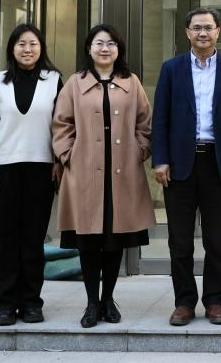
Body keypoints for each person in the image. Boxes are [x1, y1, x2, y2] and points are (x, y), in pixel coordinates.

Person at [52, 23, 155, 328]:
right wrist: (68, 154)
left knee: (114, 240)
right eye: (99, 43)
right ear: (89, 48)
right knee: (88, 241)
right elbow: (61, 124)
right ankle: (91, 303)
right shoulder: (75, 83)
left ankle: (108, 299)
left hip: (122, 174)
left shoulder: (131, 82)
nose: (105, 48)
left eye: (111, 43)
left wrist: (140, 150)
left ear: (118, 50)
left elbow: (145, 122)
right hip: (84, 174)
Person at [152, 7, 221, 327]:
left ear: (218, 31)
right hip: (179, 164)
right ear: (187, 33)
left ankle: (215, 300)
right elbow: (160, 117)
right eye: (197, 28)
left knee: (217, 239)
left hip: (217, 163)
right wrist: (160, 159)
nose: (203, 33)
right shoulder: (171, 69)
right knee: (179, 240)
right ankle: (184, 302)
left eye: (208, 27)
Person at [0, 23, 62, 325]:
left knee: (33, 238)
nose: (27, 49)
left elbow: (62, 125)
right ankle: (4, 304)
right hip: (4, 168)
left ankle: (31, 302)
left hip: (42, 167)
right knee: (5, 238)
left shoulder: (54, 80)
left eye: (33, 44)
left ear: (41, 48)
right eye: (21, 44)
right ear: (12, 48)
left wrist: (59, 161)